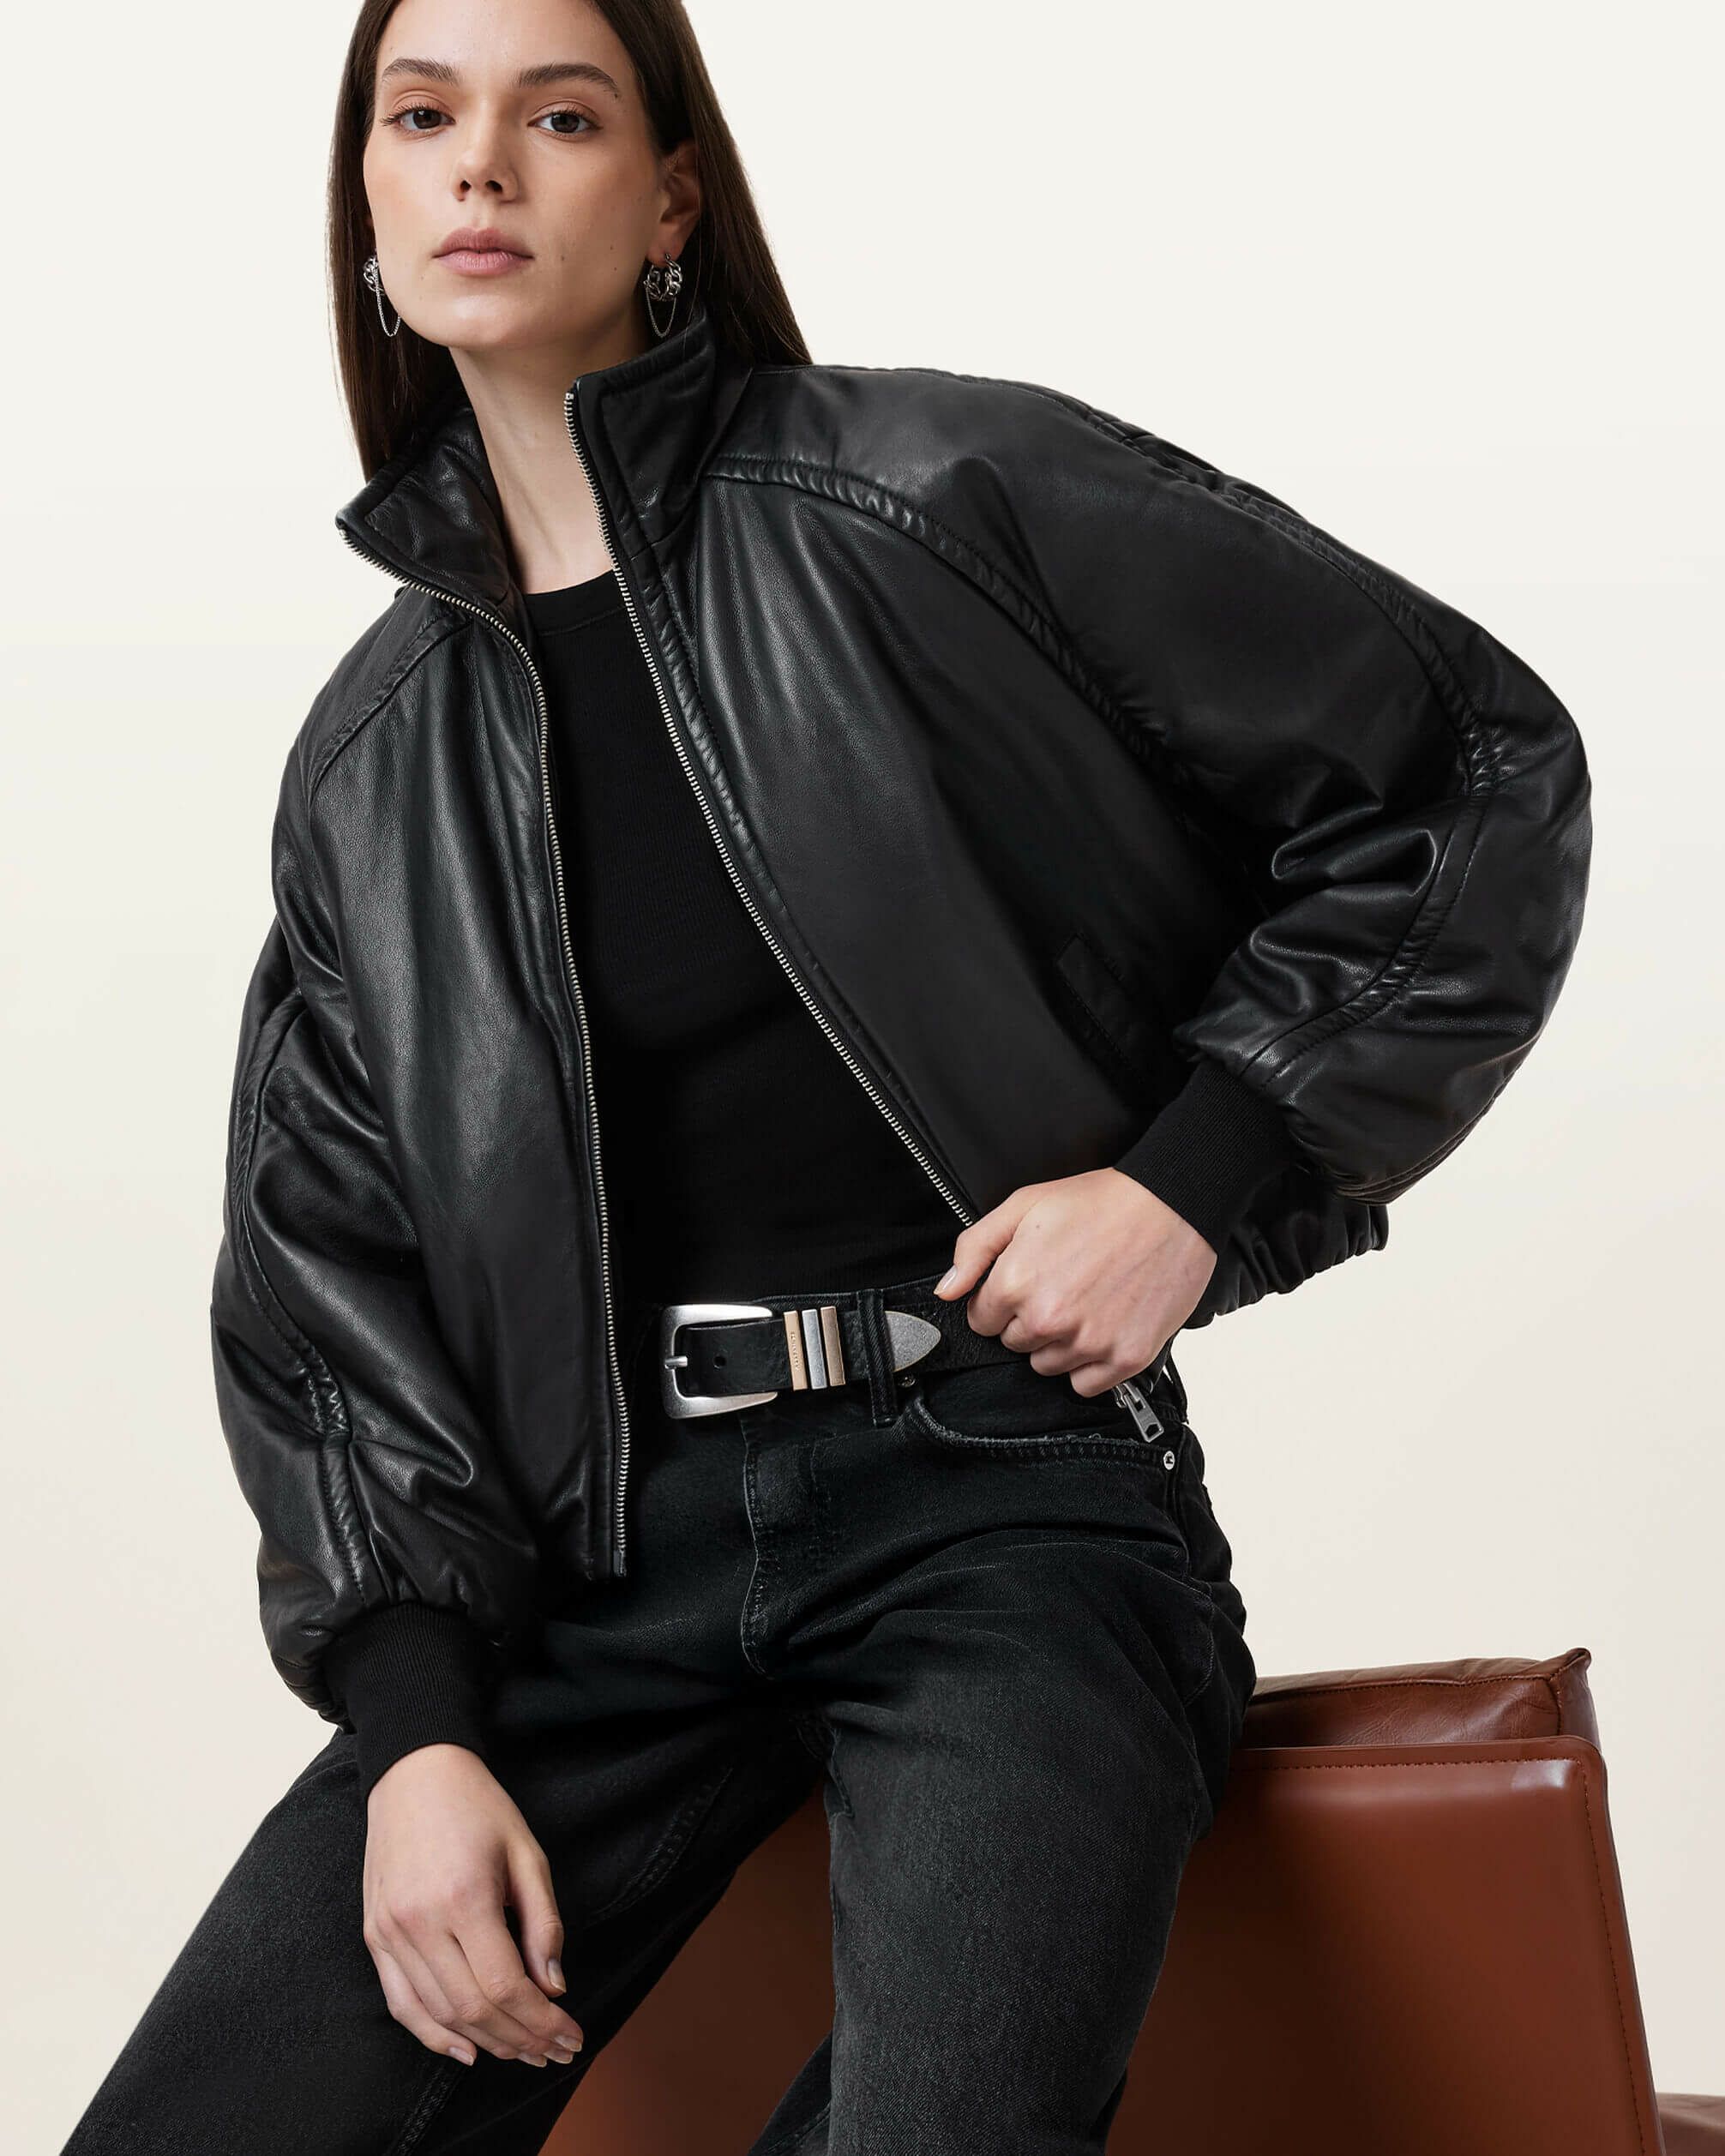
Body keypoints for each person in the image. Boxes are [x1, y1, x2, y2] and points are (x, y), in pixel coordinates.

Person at [62, 0, 1593, 2150]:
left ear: (669, 197)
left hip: (1002, 1501)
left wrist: (1192, 1173)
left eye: (559, 113)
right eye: (420, 117)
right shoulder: (373, 763)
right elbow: (327, 1283)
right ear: (369, 204)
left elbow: (1463, 765)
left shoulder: (932, 495)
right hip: (599, 1568)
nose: (479, 164)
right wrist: (414, 1739)